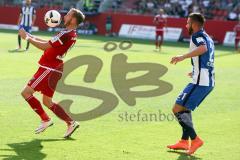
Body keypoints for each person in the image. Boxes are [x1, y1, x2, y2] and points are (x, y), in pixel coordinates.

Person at [19, 8, 85, 138]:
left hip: (49, 69)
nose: (64, 17)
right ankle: (71, 122)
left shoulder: (65, 34)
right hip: (54, 69)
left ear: (73, 20)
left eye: (67, 15)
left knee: (26, 92)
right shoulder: (69, 33)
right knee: (48, 102)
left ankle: (45, 119)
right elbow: (47, 43)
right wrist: (30, 35)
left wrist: (26, 37)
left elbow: (44, 46)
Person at [168, 13, 215, 155]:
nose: (186, 25)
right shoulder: (208, 37)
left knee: (177, 109)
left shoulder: (197, 35)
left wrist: (182, 57)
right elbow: (208, 58)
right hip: (204, 79)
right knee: (185, 109)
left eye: (188, 23)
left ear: (194, 24)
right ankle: (183, 141)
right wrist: (195, 71)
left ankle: (195, 140)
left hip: (201, 81)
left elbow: (203, 49)